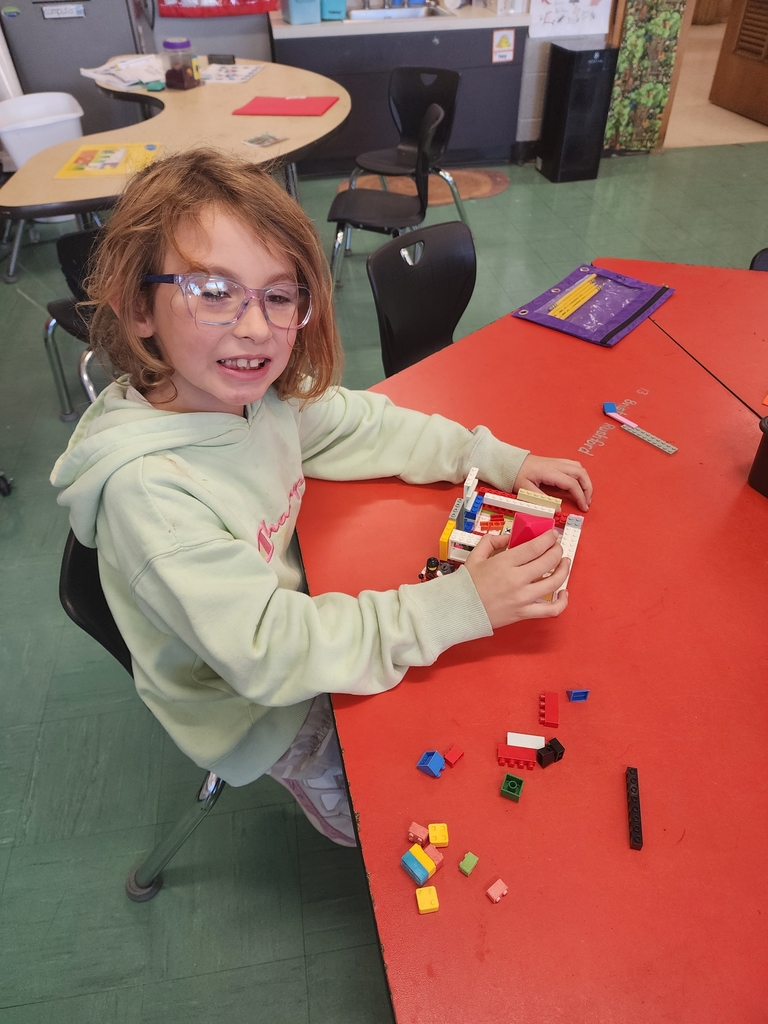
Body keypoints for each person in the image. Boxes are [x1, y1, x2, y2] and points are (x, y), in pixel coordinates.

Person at [51, 149, 592, 847]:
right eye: (214, 291)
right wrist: (463, 604)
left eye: (279, 294)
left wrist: (487, 458)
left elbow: (358, 422)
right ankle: (339, 806)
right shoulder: (152, 498)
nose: (256, 328)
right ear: (136, 309)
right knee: (392, 812)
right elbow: (270, 654)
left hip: (294, 614)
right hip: (255, 705)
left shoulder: (246, 396)